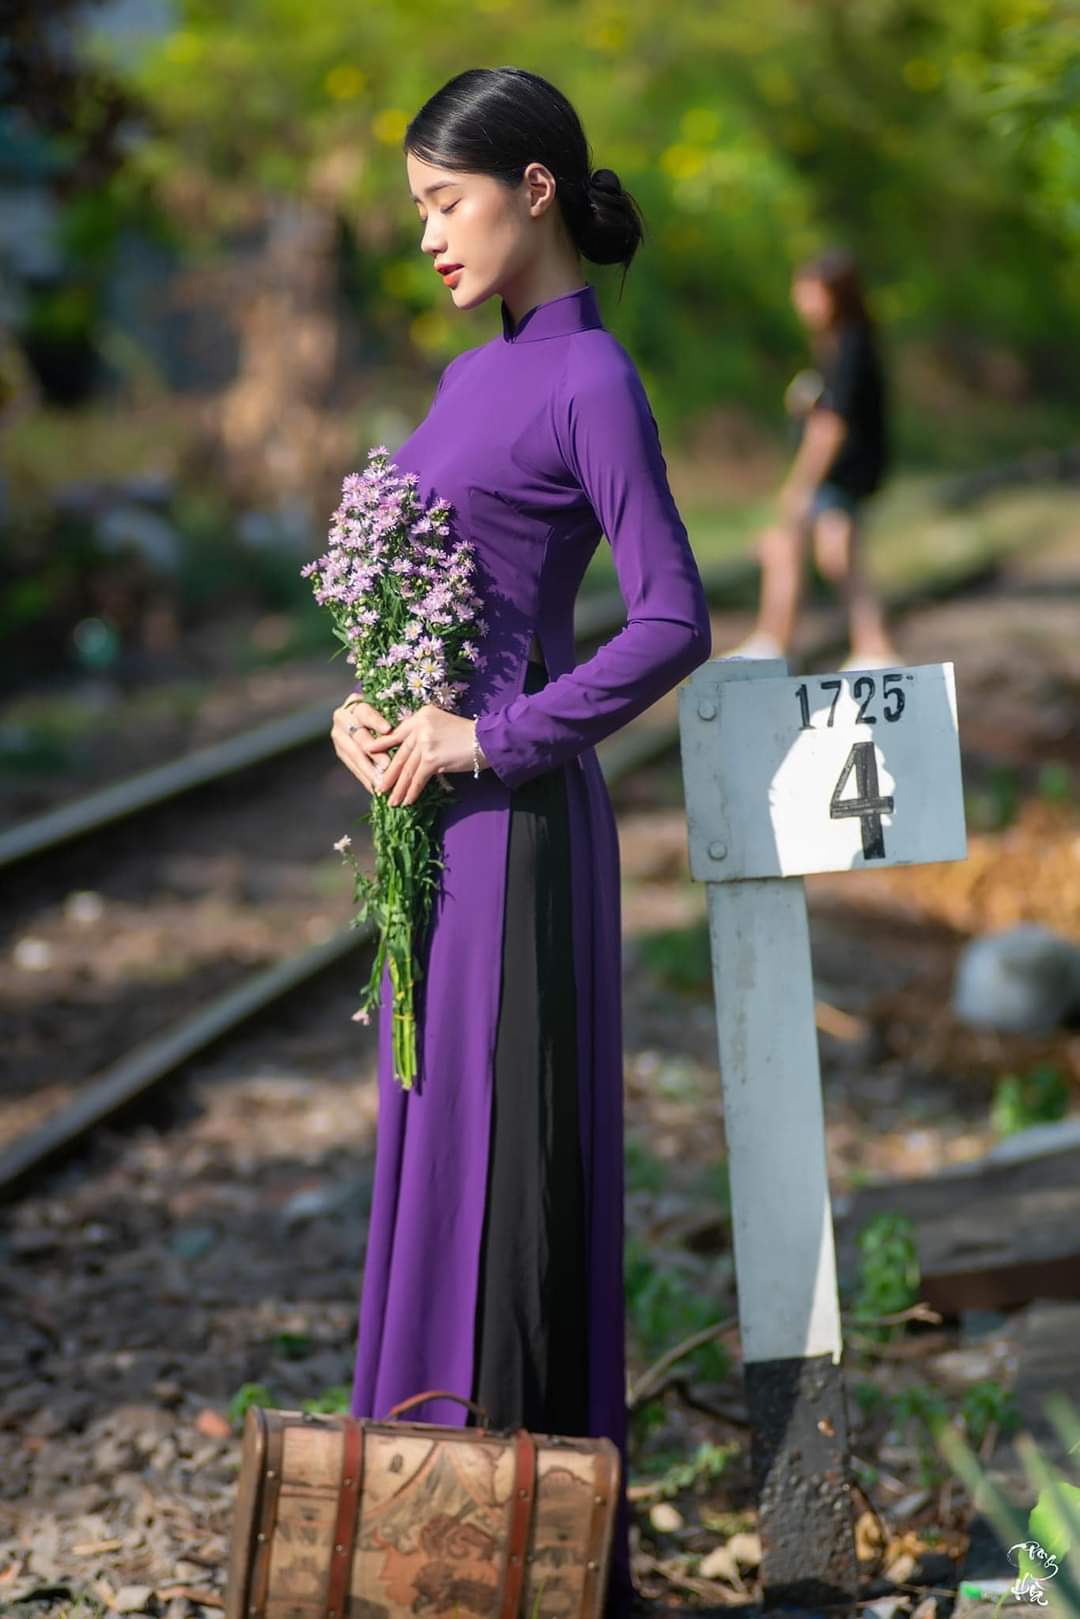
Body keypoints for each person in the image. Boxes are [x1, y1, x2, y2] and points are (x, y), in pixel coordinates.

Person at [328, 66, 711, 1619]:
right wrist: (360, 714)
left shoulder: (589, 379)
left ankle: (518, 1561)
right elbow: (430, 602)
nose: (427, 234)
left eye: (445, 200)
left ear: (534, 187)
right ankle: (424, 1532)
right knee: (435, 1166)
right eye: (418, 206)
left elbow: (677, 614)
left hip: (519, 840)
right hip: (430, 837)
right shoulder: (465, 376)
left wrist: (496, 734)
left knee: (509, 1184)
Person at [729, 247, 898, 669]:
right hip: (844, 473)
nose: (802, 304)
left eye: (809, 294)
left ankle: (782, 642)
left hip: (841, 473)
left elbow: (832, 424)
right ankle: (847, 643)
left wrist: (801, 484)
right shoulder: (839, 344)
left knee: (812, 549)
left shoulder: (851, 343)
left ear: (835, 294)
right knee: (812, 549)